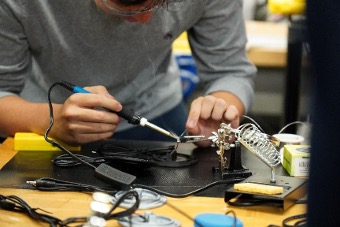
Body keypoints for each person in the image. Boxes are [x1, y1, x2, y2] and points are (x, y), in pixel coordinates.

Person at [0, 0, 256, 147]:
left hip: (158, 116)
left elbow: (230, 69)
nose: (147, 21)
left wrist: (221, 111)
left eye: (160, 3)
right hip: (41, 122)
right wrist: (53, 120)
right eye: (125, 9)